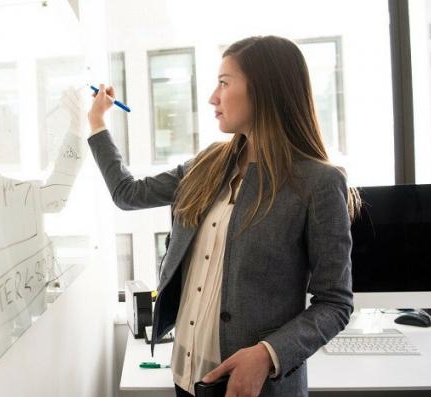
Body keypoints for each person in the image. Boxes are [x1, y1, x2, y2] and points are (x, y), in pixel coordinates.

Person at [86, 36, 360, 397]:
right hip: (187, 377)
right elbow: (128, 194)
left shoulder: (318, 183)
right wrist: (97, 123)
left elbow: (335, 303)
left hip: (257, 388)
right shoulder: (207, 164)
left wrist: (268, 354)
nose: (213, 97)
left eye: (224, 83)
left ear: (264, 90)